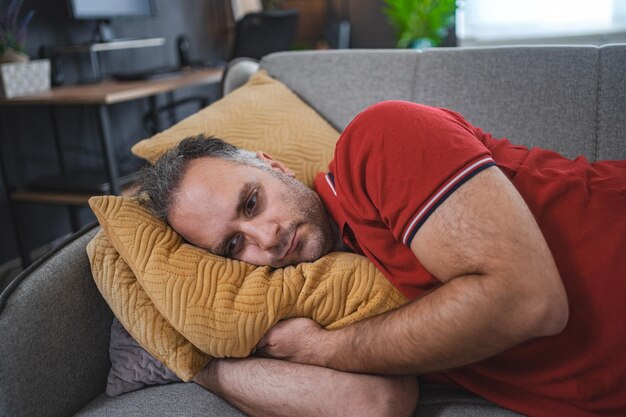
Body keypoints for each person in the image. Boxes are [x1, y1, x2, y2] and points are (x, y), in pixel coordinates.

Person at [139, 100, 626, 417]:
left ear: (275, 166)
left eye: (251, 203)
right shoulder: (340, 295)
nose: (264, 240)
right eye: (232, 246)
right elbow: (373, 405)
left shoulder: (376, 141)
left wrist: (322, 349)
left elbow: (528, 299)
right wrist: (198, 365)